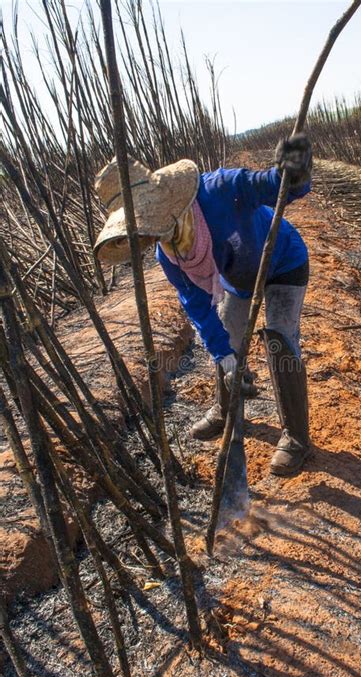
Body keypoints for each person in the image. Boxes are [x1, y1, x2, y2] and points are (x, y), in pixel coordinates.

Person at [93, 134, 312, 476]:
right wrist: (225, 357)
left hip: (283, 262)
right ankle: (226, 411)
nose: (149, 235)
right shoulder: (169, 254)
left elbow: (275, 188)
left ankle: (296, 437)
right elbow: (197, 307)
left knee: (280, 338)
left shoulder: (219, 190)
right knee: (224, 335)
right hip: (239, 278)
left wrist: (292, 173)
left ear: (165, 204)